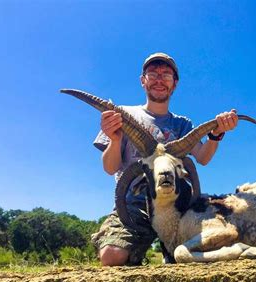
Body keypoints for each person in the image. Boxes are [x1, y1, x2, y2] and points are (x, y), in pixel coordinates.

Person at [91, 53, 238, 266]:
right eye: (153, 73)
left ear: (174, 84)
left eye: (166, 74)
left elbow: (203, 158)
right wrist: (114, 139)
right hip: (136, 202)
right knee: (112, 256)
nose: (159, 79)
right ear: (143, 80)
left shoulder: (182, 124)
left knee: (205, 250)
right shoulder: (121, 115)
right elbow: (109, 167)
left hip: (177, 203)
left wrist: (216, 135)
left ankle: (171, 254)